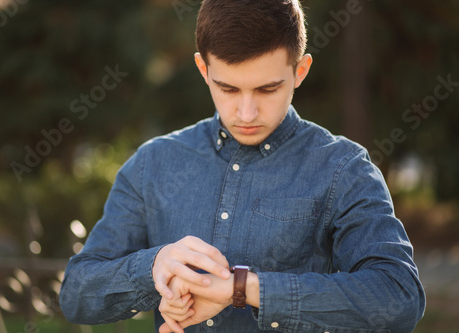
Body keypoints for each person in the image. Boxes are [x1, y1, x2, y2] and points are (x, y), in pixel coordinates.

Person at [59, 0, 425, 332]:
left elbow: (399, 297)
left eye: (267, 90)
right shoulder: (153, 163)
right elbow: (76, 294)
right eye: (228, 89)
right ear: (203, 69)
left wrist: (244, 288)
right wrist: (155, 266)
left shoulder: (344, 169)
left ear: (300, 71)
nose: (246, 113)